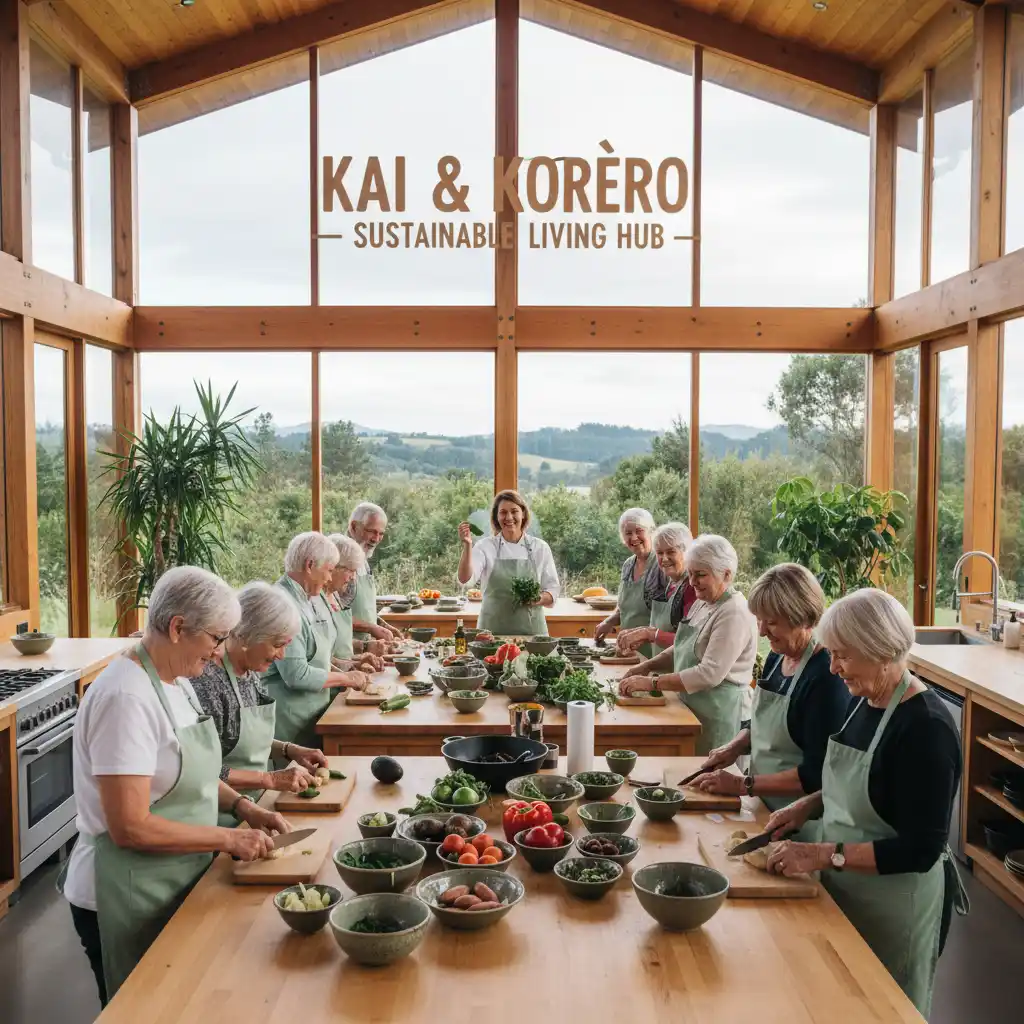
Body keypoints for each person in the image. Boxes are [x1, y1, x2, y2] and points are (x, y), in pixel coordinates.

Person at [62, 567, 290, 1004]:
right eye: (217, 638)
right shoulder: (125, 698)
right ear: (178, 628)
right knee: (145, 1009)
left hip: (174, 877)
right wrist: (228, 838)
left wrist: (244, 807)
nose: (220, 652)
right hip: (127, 891)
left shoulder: (177, 681)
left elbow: (193, 774)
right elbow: (130, 827)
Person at [763, 589, 967, 1018]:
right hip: (847, 888)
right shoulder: (865, 700)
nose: (833, 668)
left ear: (882, 651)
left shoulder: (926, 729)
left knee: (883, 1010)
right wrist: (808, 805)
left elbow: (920, 849)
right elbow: (866, 785)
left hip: (894, 907)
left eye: (843, 656)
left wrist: (821, 854)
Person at [689, 563, 851, 818]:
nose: (762, 631)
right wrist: (734, 746)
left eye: (772, 622)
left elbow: (816, 774)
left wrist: (741, 784)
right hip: (762, 803)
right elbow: (763, 722)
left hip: (800, 820)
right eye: (759, 620)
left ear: (802, 618)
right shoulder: (777, 658)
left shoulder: (825, 678)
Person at [189, 581, 330, 826]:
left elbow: (237, 738)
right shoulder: (207, 682)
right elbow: (202, 771)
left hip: (257, 807)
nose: (281, 655)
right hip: (221, 821)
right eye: (277, 645)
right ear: (247, 635)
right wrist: (270, 779)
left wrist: (288, 749)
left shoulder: (250, 671)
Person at [619, 533, 756, 755]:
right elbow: (683, 646)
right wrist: (647, 666)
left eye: (700, 575)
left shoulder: (733, 612)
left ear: (726, 574)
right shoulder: (704, 602)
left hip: (720, 714)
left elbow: (709, 674)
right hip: (693, 708)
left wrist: (652, 683)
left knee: (710, 773)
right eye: (690, 573)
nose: (692, 582)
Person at [263, 531, 369, 750]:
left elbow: (317, 658)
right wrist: (346, 678)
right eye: (329, 570)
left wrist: (347, 669)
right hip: (290, 719)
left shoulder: (309, 596)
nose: (330, 578)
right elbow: (297, 675)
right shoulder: (283, 604)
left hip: (313, 712)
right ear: (310, 565)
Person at [456, 489, 560, 636]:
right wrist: (467, 545)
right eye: (503, 512)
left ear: (523, 514)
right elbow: (465, 579)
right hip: (491, 635)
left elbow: (553, 589)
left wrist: (538, 599)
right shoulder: (485, 546)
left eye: (514, 511)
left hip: (532, 634)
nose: (509, 517)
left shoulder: (540, 547)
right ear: (496, 517)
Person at [614, 521, 697, 658]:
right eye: (659, 553)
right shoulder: (671, 584)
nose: (664, 558)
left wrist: (648, 634)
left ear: (687, 552)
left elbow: (691, 643)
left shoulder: (692, 587)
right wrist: (640, 634)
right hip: (662, 667)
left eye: (671, 552)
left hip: (681, 669)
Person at [594, 508, 663, 657]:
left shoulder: (661, 564)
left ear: (651, 531)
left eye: (639, 531)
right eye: (628, 533)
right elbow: (625, 609)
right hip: (628, 652)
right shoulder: (628, 565)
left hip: (654, 654)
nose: (634, 537)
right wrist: (609, 622)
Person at [324, 532, 390, 669]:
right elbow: (320, 661)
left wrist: (365, 648)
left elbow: (339, 645)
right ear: (333, 567)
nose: (353, 578)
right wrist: (352, 670)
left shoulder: (335, 595)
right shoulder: (314, 601)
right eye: (351, 571)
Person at [347, 502, 403, 643]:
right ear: (354, 527)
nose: (376, 539)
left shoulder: (362, 555)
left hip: (366, 647)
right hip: (347, 648)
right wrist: (371, 628)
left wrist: (382, 625)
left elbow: (362, 610)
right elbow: (332, 613)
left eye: (381, 533)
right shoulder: (339, 558)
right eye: (371, 531)